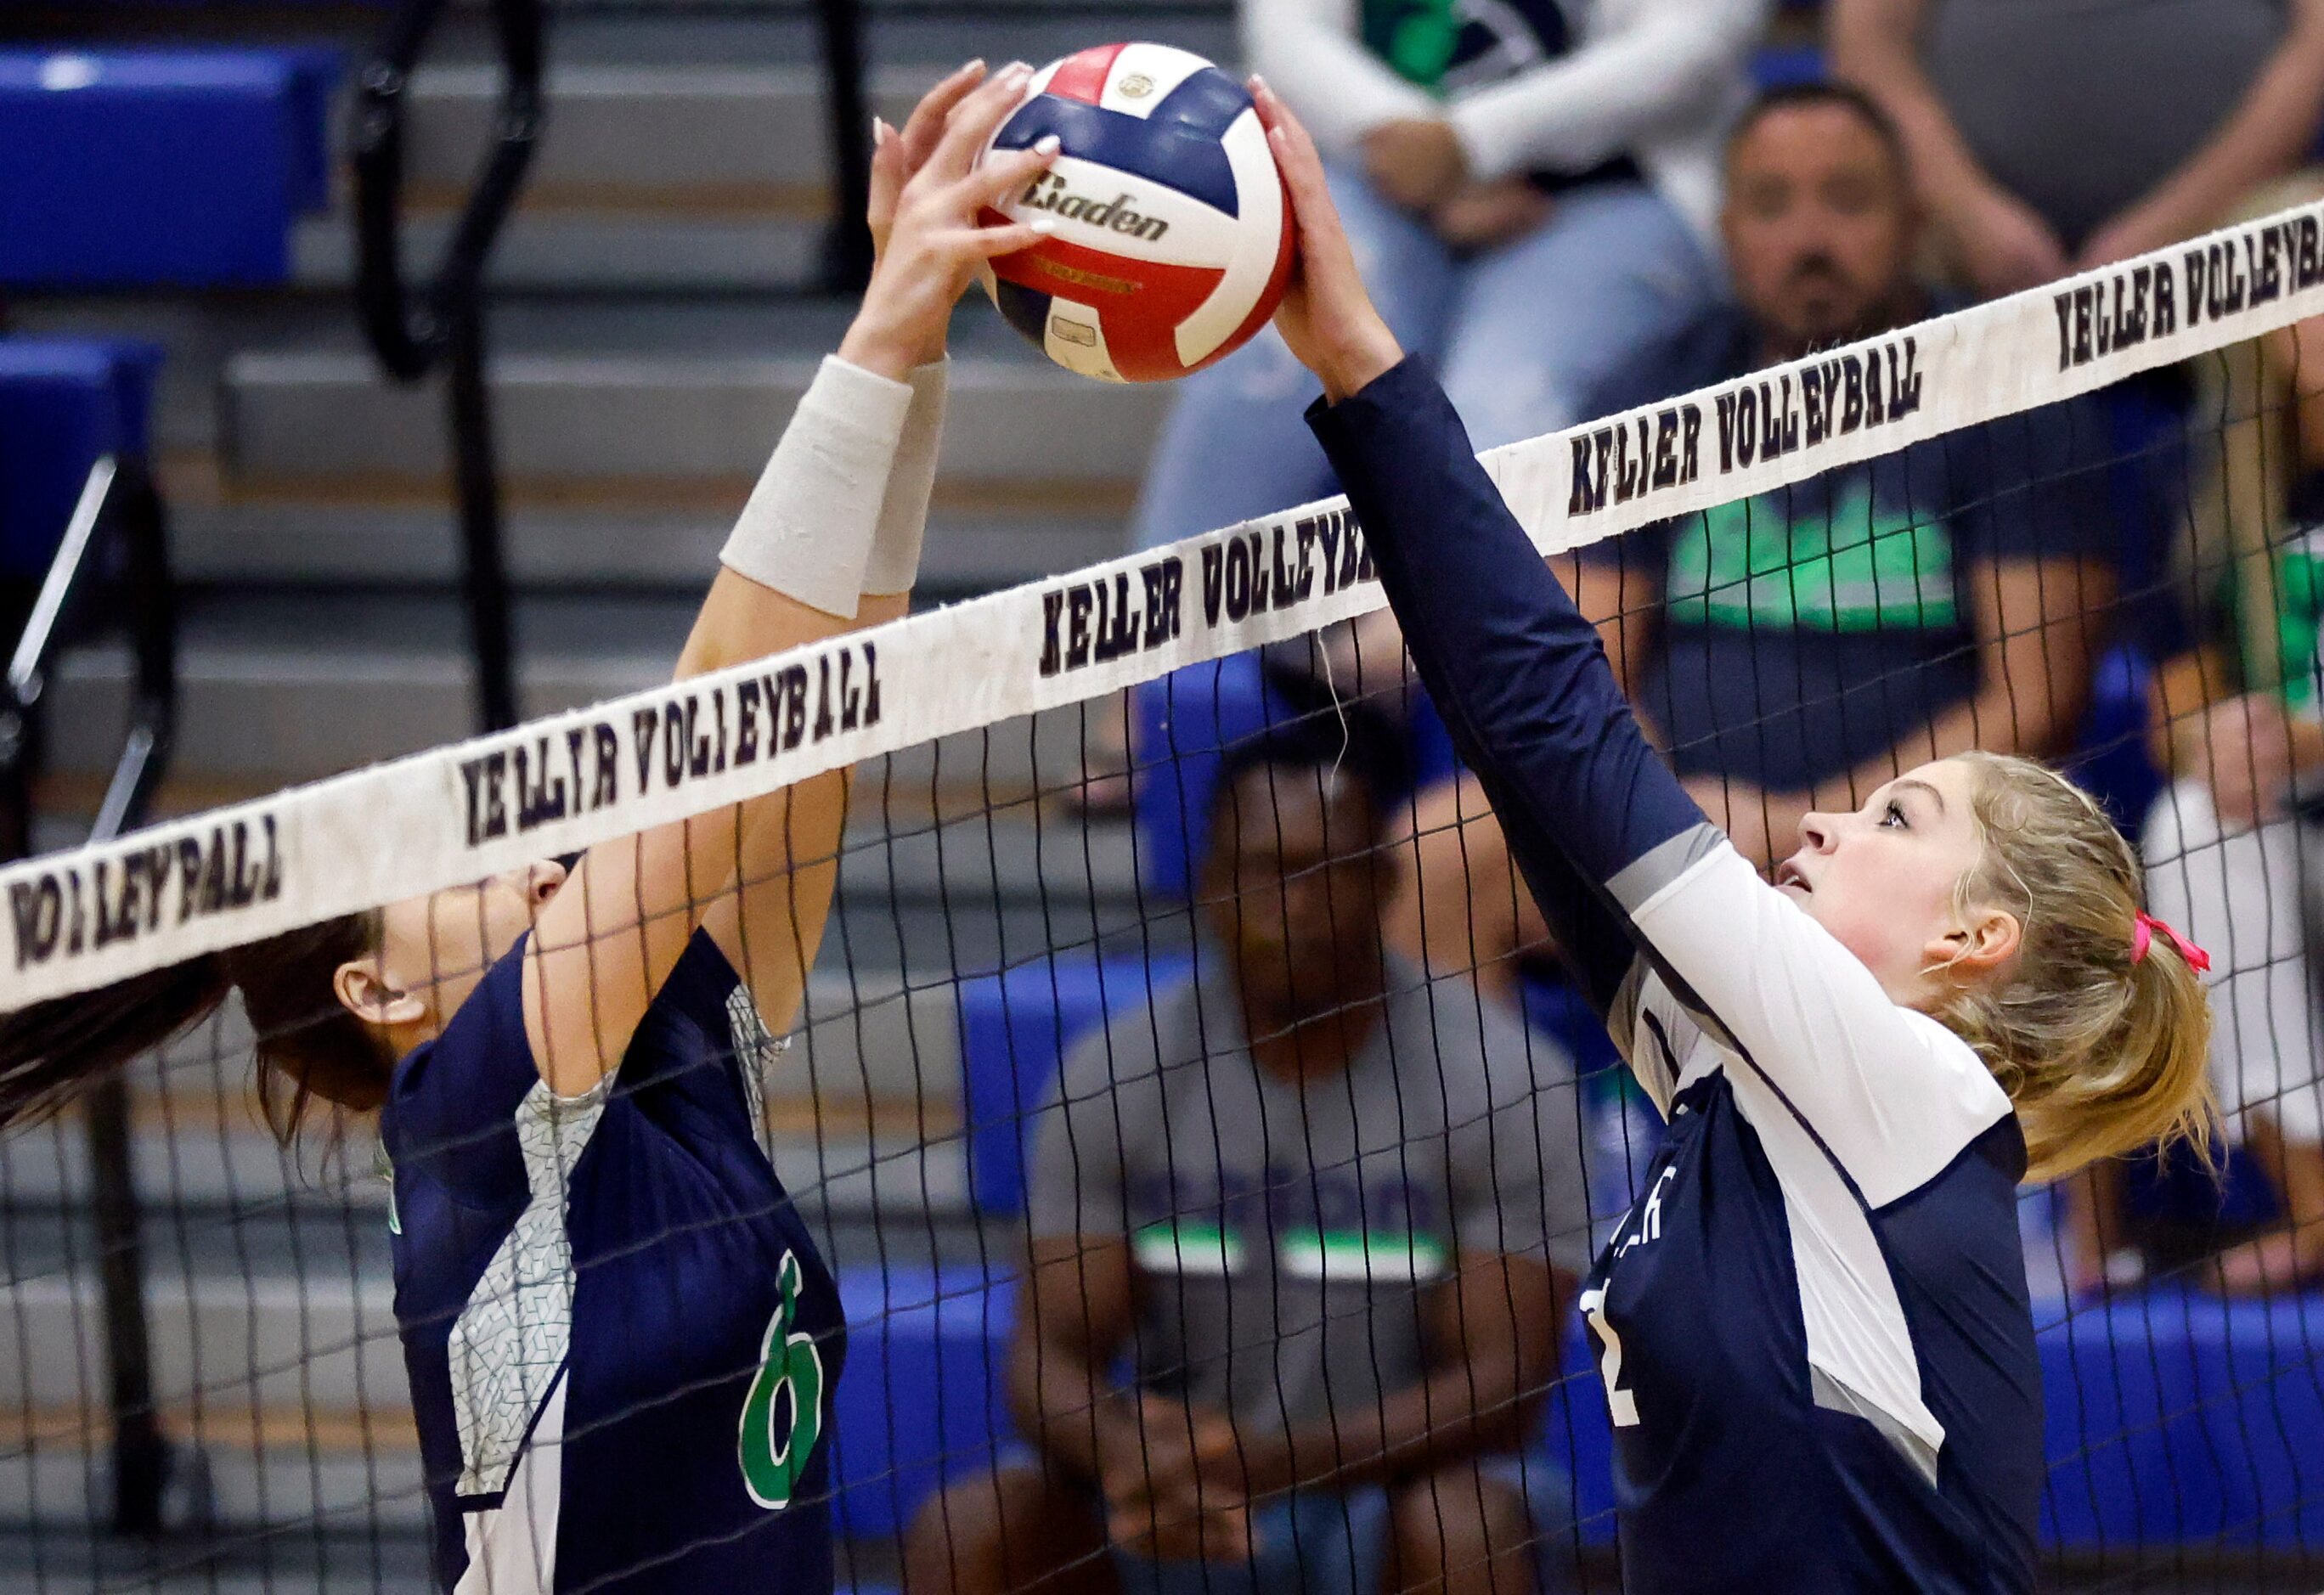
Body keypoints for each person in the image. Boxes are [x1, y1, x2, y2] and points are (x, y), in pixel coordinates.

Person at [0, 61, 1058, 1593]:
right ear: (381, 994)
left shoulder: (679, 1067)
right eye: (462, 855)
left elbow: (817, 704)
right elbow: (705, 731)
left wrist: (921, 349)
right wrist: (878, 323)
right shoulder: (470, 1126)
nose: (529, 847)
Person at [1251, 76, 2214, 1592]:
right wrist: (1344, 382)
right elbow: (1527, 752)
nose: (1832, 814)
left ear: (1970, 940)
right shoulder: (1740, 1077)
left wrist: (1364, 358)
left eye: (1896, 816)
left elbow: (1562, 718)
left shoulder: (1899, 1079)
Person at [1386, 83, 2115, 1003]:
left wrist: (1843, 828)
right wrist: (1680, 818)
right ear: (1727, 231)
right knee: (1437, 860)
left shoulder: (2003, 390)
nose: (1810, 237)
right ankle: (1520, 1156)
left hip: (1926, 838)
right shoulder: (1653, 396)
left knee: (2037, 909)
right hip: (1679, 826)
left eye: (1847, 200)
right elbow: (1584, 674)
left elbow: (2037, 699)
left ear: (1914, 219)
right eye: (1772, 205)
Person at [904, 691, 1591, 1595]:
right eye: (1260, 872)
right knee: (973, 1529)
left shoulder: (1505, 1077)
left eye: (1321, 872)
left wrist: (1284, 1462)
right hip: (1186, 1494)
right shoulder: (1118, 1070)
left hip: (1387, 1496)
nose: (1289, 907)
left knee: (1466, 1522)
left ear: (1383, 881)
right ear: (1208, 886)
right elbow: (1049, 1356)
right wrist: (1131, 1453)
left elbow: (1506, 1391)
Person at [1128, 0, 1764, 557]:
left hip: (1613, 193)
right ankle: (1138, 679)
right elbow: (1287, 35)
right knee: (1260, 372)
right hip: (1374, 170)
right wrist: (1412, 149)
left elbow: (1692, 45)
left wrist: (1472, 143)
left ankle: (1410, 666)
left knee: (1501, 418)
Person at [2100, 305, 2324, 1294]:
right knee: (2190, 822)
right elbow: (2175, 711)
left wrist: (2300, 734)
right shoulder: (2213, 486)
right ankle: (2316, 1205)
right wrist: (2222, 739)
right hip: (2297, 841)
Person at [1832, 0, 2324, 296]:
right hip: (1956, 223)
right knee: (1840, 243)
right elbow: (1870, 40)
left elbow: (2315, 45)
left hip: (2237, 212)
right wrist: (1971, 214)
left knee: (2305, 245)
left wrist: (2170, 225)